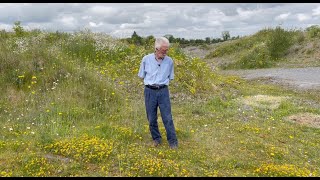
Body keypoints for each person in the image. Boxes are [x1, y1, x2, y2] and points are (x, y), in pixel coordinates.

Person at [138, 37, 178, 149]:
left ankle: (173, 142)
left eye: (167, 50)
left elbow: (170, 77)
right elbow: (141, 75)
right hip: (149, 91)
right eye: (163, 50)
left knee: (167, 118)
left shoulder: (169, 61)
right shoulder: (146, 59)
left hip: (163, 91)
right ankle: (156, 139)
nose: (165, 53)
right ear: (156, 48)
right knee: (151, 118)